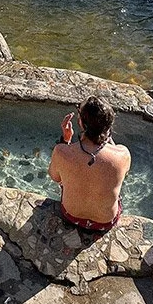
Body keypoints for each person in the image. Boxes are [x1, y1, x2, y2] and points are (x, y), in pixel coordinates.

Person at [49, 95, 131, 232]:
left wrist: (66, 140)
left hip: (71, 215)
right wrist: (107, 140)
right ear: (109, 125)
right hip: (106, 222)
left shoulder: (61, 152)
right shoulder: (122, 154)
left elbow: (55, 177)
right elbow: (124, 173)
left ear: (81, 122)